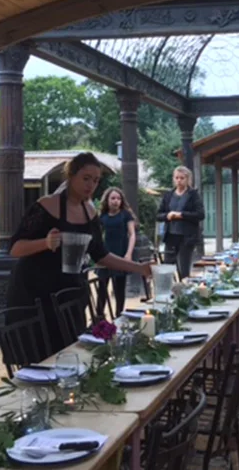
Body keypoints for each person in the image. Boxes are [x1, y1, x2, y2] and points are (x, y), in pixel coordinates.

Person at [8, 152, 152, 354]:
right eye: (86, 178)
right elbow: (15, 248)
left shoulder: (90, 212)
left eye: (95, 180)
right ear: (71, 176)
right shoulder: (46, 205)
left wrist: (139, 268)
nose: (91, 185)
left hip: (69, 295)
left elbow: (100, 255)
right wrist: (45, 242)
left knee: (71, 354)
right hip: (35, 295)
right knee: (41, 360)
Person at [156, 165, 205, 280]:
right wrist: (167, 216)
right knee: (167, 266)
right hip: (171, 236)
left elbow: (200, 214)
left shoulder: (193, 195)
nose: (179, 180)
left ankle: (184, 292)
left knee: (183, 268)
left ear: (188, 179)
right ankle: (169, 291)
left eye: (182, 178)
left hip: (186, 237)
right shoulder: (168, 195)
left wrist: (181, 215)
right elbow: (158, 215)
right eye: (177, 178)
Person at [96, 187, 136, 318]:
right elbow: (97, 235)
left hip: (121, 254)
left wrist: (129, 253)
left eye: (118, 198)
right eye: (113, 198)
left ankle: (119, 315)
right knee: (102, 287)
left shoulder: (125, 215)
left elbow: (132, 234)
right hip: (106, 255)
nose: (115, 201)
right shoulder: (102, 216)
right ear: (107, 200)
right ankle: (99, 316)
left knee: (119, 288)